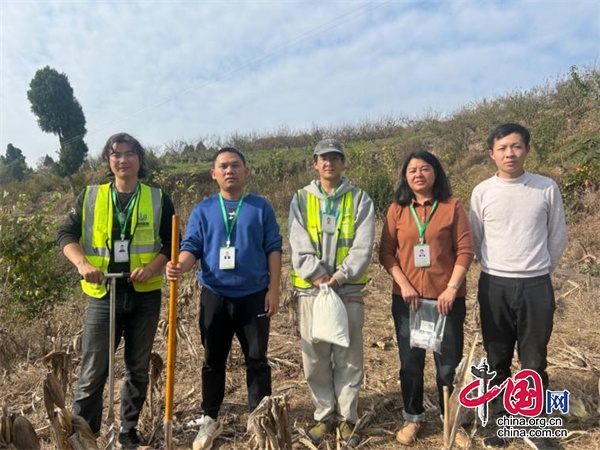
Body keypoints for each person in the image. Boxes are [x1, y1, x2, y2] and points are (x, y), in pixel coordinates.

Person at [57, 132, 175, 448]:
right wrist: (82, 264)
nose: (123, 159)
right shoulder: (90, 196)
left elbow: (170, 242)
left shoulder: (158, 197)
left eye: (129, 153)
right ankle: (84, 434)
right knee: (93, 372)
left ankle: (128, 431)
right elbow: (65, 234)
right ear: (109, 161)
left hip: (144, 294)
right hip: (103, 295)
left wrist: (152, 268)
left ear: (140, 158)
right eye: (115, 154)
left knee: (137, 368)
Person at [166, 147, 282, 450]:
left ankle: (260, 418)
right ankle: (210, 417)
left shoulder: (260, 207)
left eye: (235, 165)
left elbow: (273, 248)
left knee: (257, 359)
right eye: (223, 166)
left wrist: (274, 289)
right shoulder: (204, 209)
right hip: (215, 296)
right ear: (213, 174)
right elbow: (192, 245)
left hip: (254, 296)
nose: (229, 170)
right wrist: (181, 264)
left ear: (246, 172)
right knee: (212, 360)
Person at [469, 123, 567, 448]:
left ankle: (534, 423)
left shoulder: (545, 188)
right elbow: (476, 238)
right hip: (494, 284)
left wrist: (540, 269)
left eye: (516, 146)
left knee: (535, 359)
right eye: (502, 148)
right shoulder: (482, 192)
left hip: (536, 285)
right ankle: (500, 421)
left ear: (526, 149)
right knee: (497, 357)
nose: (509, 153)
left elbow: (557, 235)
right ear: (491, 154)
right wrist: (497, 270)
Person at [379, 150, 474, 447]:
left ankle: (453, 420)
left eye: (425, 168)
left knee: (448, 364)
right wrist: (404, 284)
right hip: (409, 301)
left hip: (446, 300)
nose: (418, 174)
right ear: (405, 177)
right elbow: (386, 252)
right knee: (410, 363)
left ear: (436, 172)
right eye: (412, 170)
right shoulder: (397, 209)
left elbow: (465, 251)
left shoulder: (452, 206)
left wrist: (451, 287)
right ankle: (412, 416)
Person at [289, 138, 375, 447]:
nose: (329, 163)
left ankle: (348, 418)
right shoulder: (300, 199)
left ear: (343, 163)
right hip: (312, 293)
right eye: (323, 158)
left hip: (347, 291)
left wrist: (337, 278)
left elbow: (363, 247)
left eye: (335, 158)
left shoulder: (361, 199)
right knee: (315, 358)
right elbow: (298, 244)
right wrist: (317, 276)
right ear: (315, 164)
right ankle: (324, 416)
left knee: (349, 358)